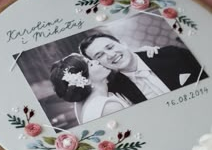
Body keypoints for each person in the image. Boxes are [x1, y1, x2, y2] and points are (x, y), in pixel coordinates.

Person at [79, 33, 208, 103]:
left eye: (110, 47)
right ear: (98, 63)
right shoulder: (114, 90)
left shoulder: (172, 54)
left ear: (122, 43)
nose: (111, 55)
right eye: (100, 55)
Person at [50, 53, 129, 124]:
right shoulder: (109, 107)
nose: (96, 61)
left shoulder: (88, 104)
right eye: (90, 64)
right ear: (85, 81)